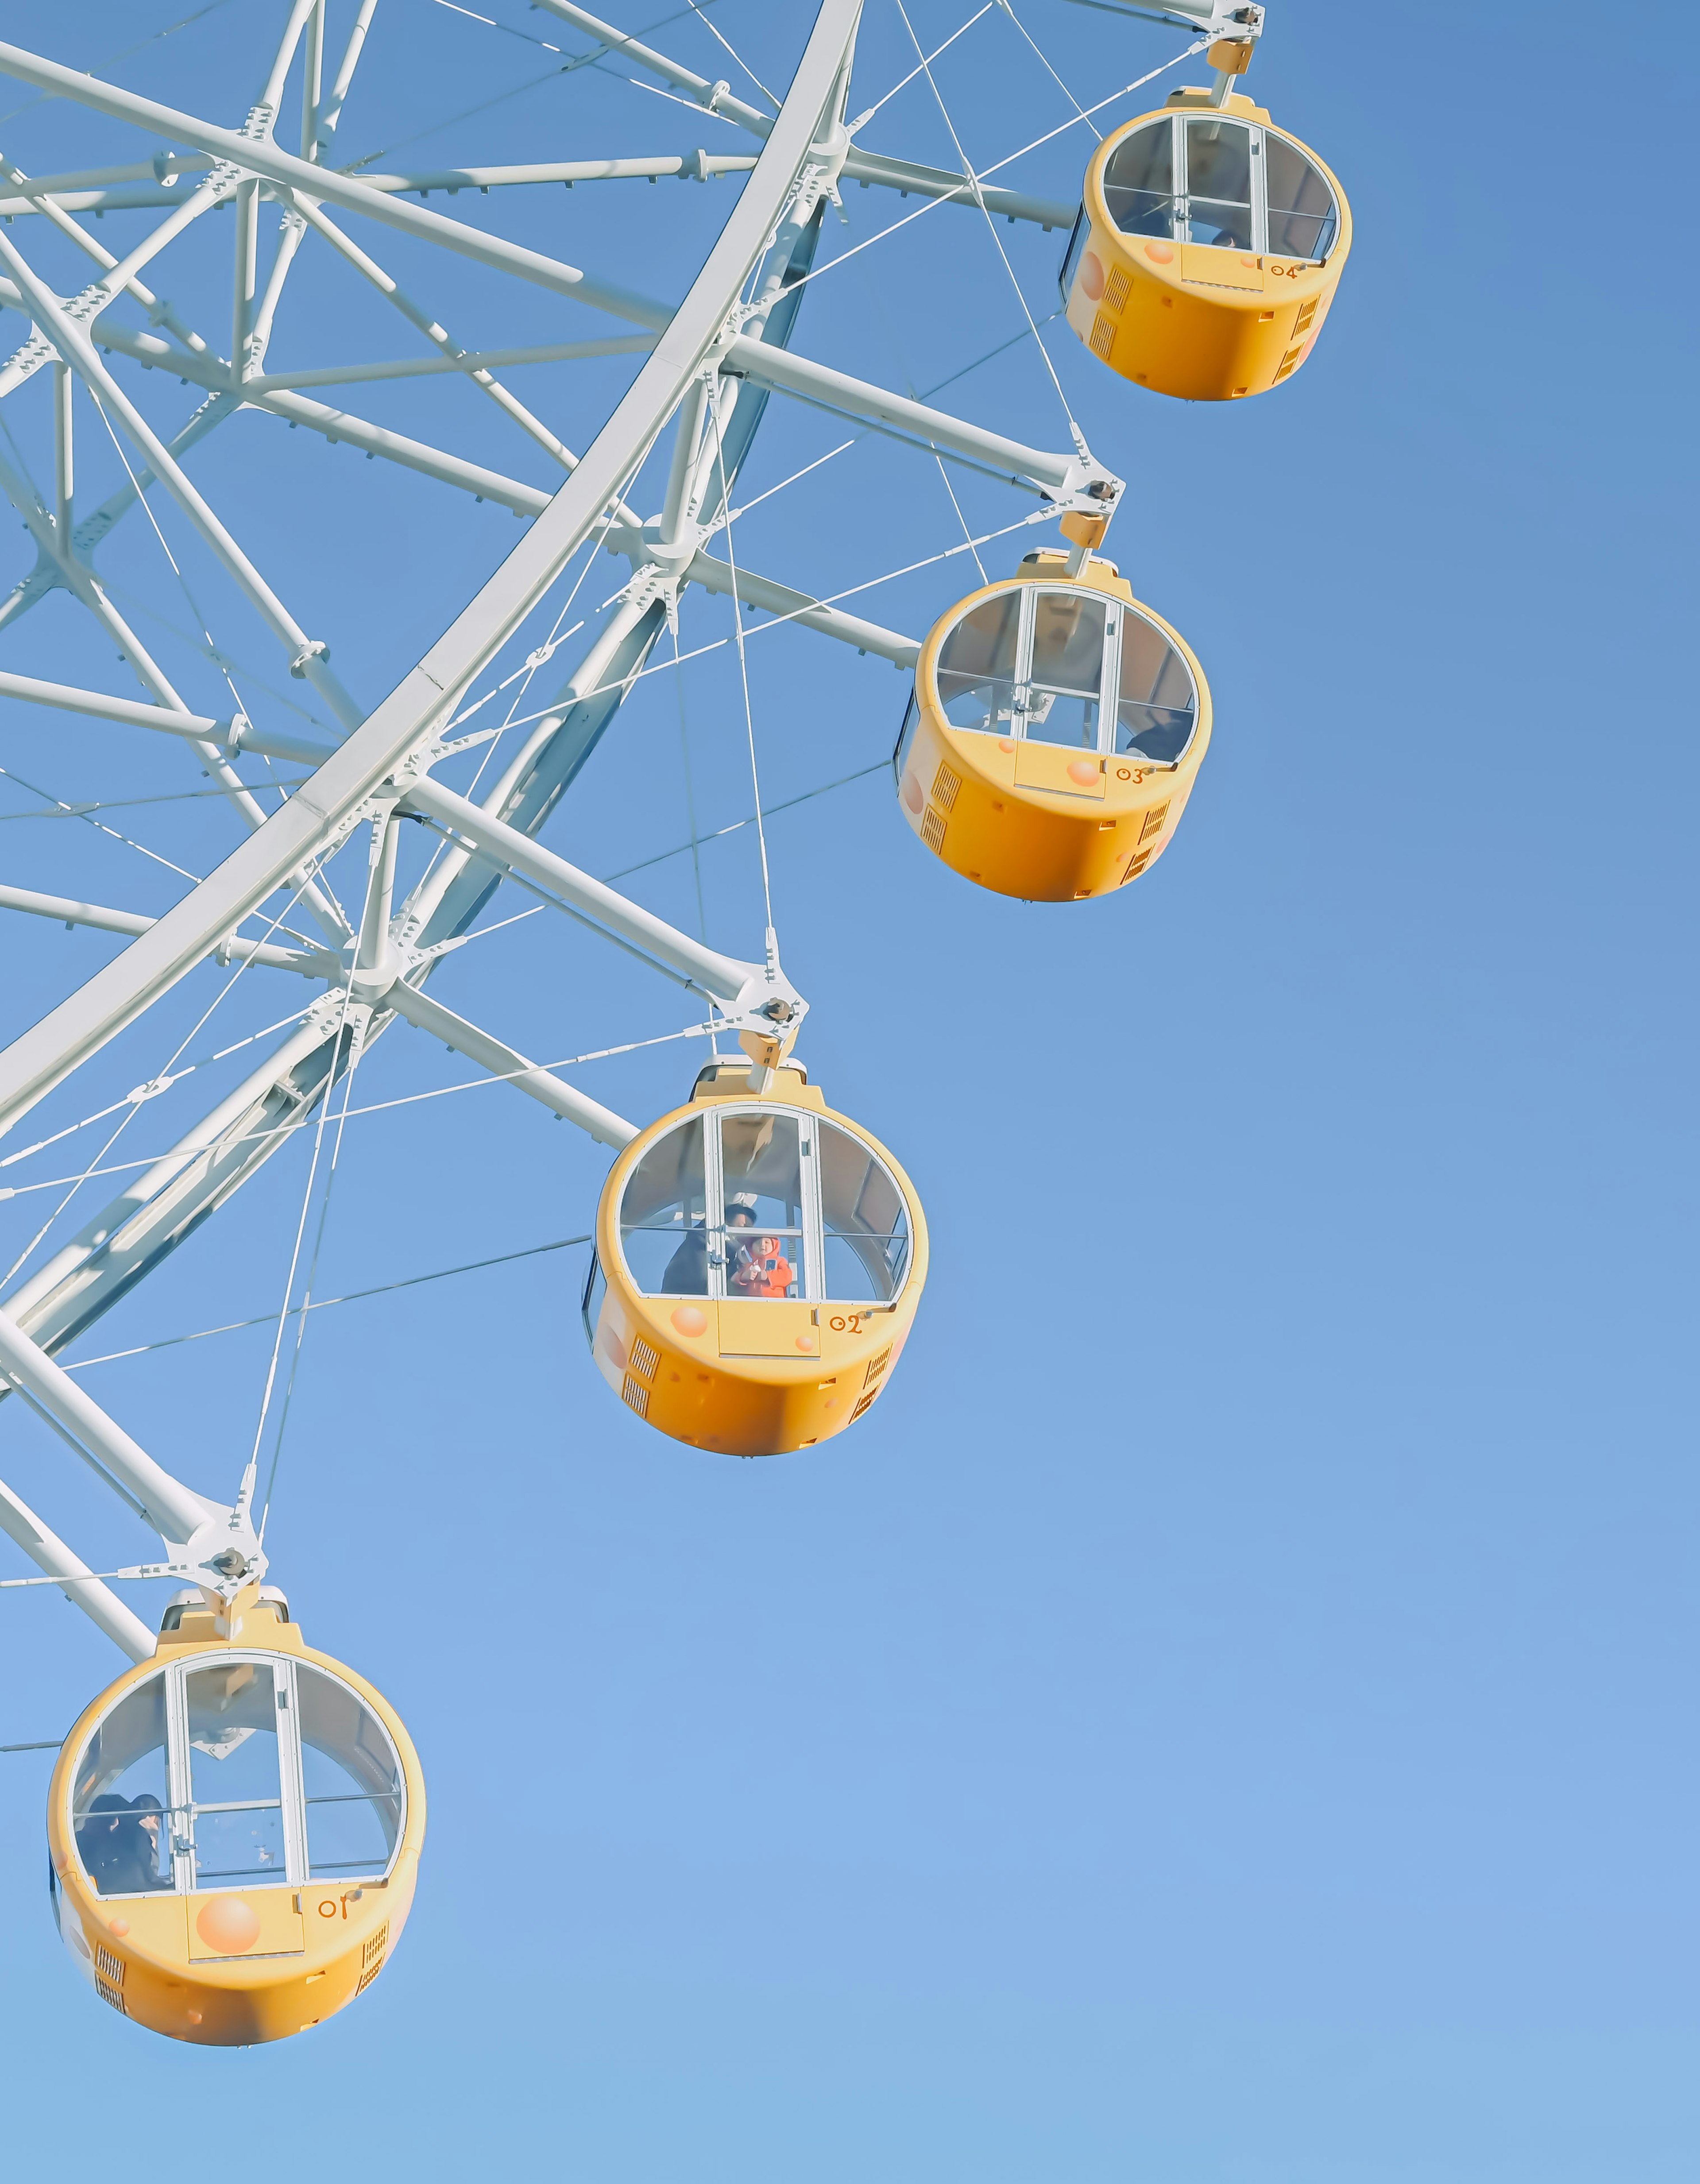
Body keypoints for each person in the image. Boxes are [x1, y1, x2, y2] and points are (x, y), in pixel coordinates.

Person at [661, 1202, 754, 1293]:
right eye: (744, 1226)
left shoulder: (737, 1254)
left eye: (750, 1230)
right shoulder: (701, 1244)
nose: (747, 1233)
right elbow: (700, 1280)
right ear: (725, 1224)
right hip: (688, 1301)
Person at [731, 1233, 794, 1299]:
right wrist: (744, 1277)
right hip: (754, 1304)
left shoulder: (780, 1261)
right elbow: (733, 1280)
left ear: (774, 1245)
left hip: (776, 1303)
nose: (762, 1245)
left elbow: (787, 1276)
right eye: (758, 1243)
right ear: (751, 1247)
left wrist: (767, 1276)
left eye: (767, 1242)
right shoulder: (749, 1266)